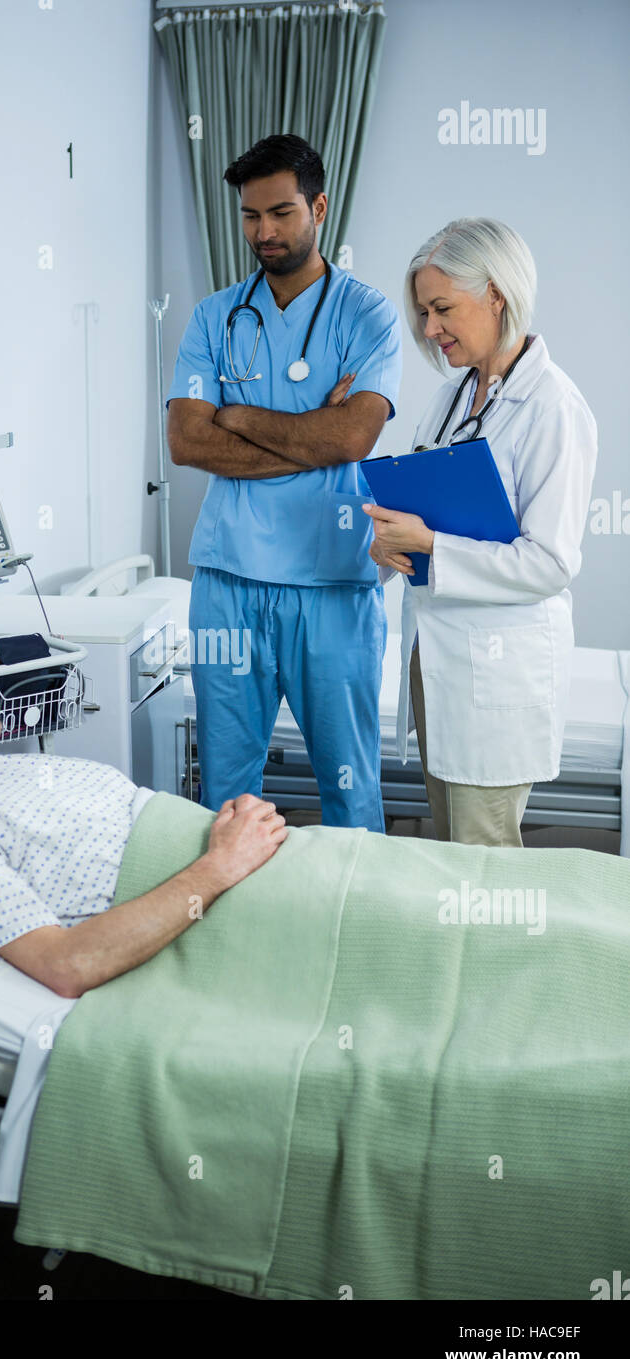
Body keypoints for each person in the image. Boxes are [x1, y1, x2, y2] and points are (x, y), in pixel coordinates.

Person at [166, 133, 402, 830]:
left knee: (349, 790)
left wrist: (236, 416)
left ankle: (354, 930)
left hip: (332, 581)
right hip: (228, 582)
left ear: (319, 207)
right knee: (227, 794)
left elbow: (354, 436)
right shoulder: (215, 316)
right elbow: (185, 442)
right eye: (249, 216)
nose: (263, 232)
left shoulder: (369, 314)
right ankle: (225, 927)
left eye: (281, 213)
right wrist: (310, 435)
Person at [0, 643, 288, 999]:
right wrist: (221, 865)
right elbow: (65, 965)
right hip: (232, 885)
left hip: (256, 852)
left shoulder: (19, 770)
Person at [360, 217, 597, 847]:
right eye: (424, 312)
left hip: (497, 673)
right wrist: (388, 543)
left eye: (442, 309)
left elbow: (549, 563)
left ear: (496, 295)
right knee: (452, 854)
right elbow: (421, 513)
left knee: (483, 866)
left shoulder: (553, 407)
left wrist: (430, 543)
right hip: (436, 661)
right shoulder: (451, 396)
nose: (430, 329)